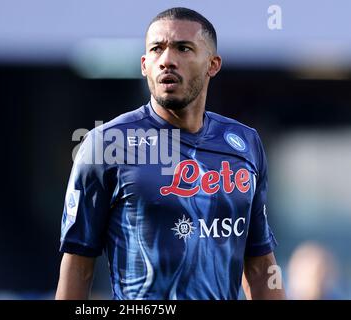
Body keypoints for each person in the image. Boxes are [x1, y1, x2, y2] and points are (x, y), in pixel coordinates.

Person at [56, 7, 285, 300]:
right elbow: (78, 266)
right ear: (144, 64)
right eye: (156, 49)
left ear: (212, 64)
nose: (167, 60)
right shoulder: (107, 144)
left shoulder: (244, 143)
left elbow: (260, 265)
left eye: (183, 48)